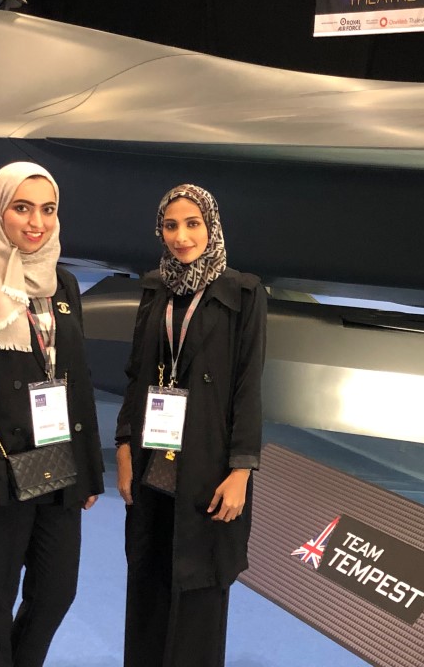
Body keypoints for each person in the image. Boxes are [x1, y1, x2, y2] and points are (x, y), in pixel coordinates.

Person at [0, 161, 105, 667]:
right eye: (22, 208)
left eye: (48, 210)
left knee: (57, 591)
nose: (37, 223)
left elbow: (77, 382)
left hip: (58, 463)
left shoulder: (63, 285)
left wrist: (89, 469)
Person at [116, 184, 267, 667]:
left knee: (200, 583)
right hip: (153, 460)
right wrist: (123, 445)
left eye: (192, 224)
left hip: (209, 465)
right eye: (170, 225)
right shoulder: (154, 289)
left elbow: (248, 386)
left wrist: (241, 471)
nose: (181, 237)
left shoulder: (243, 293)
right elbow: (137, 375)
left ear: (211, 227)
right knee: (149, 578)